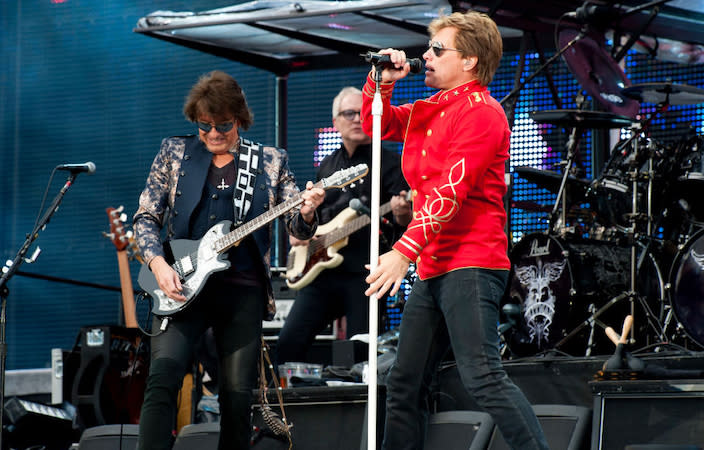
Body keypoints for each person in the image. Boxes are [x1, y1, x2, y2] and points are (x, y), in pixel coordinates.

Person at [361, 11, 550, 450]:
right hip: (432, 265)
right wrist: (382, 82)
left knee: (483, 376)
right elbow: (375, 124)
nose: (425, 56)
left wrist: (403, 251)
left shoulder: (484, 113)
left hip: (471, 262)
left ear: (469, 61)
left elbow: (452, 189)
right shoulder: (431, 109)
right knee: (405, 383)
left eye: (437, 50)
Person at [132, 70, 325, 450]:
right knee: (164, 377)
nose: (213, 134)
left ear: (239, 119)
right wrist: (157, 263)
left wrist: (306, 213)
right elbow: (145, 217)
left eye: (223, 125)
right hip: (180, 285)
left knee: (237, 394)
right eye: (204, 127)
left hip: (241, 291)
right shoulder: (174, 152)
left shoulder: (269, 160)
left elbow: (299, 232)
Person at [276, 86, 411, 366]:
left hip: (365, 274)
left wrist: (401, 214)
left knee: (360, 354)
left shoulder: (389, 162)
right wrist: (304, 232)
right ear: (335, 121)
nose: (357, 119)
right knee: (288, 345)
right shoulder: (327, 165)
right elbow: (317, 217)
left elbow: (404, 223)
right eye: (349, 114)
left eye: (362, 113)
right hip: (322, 273)